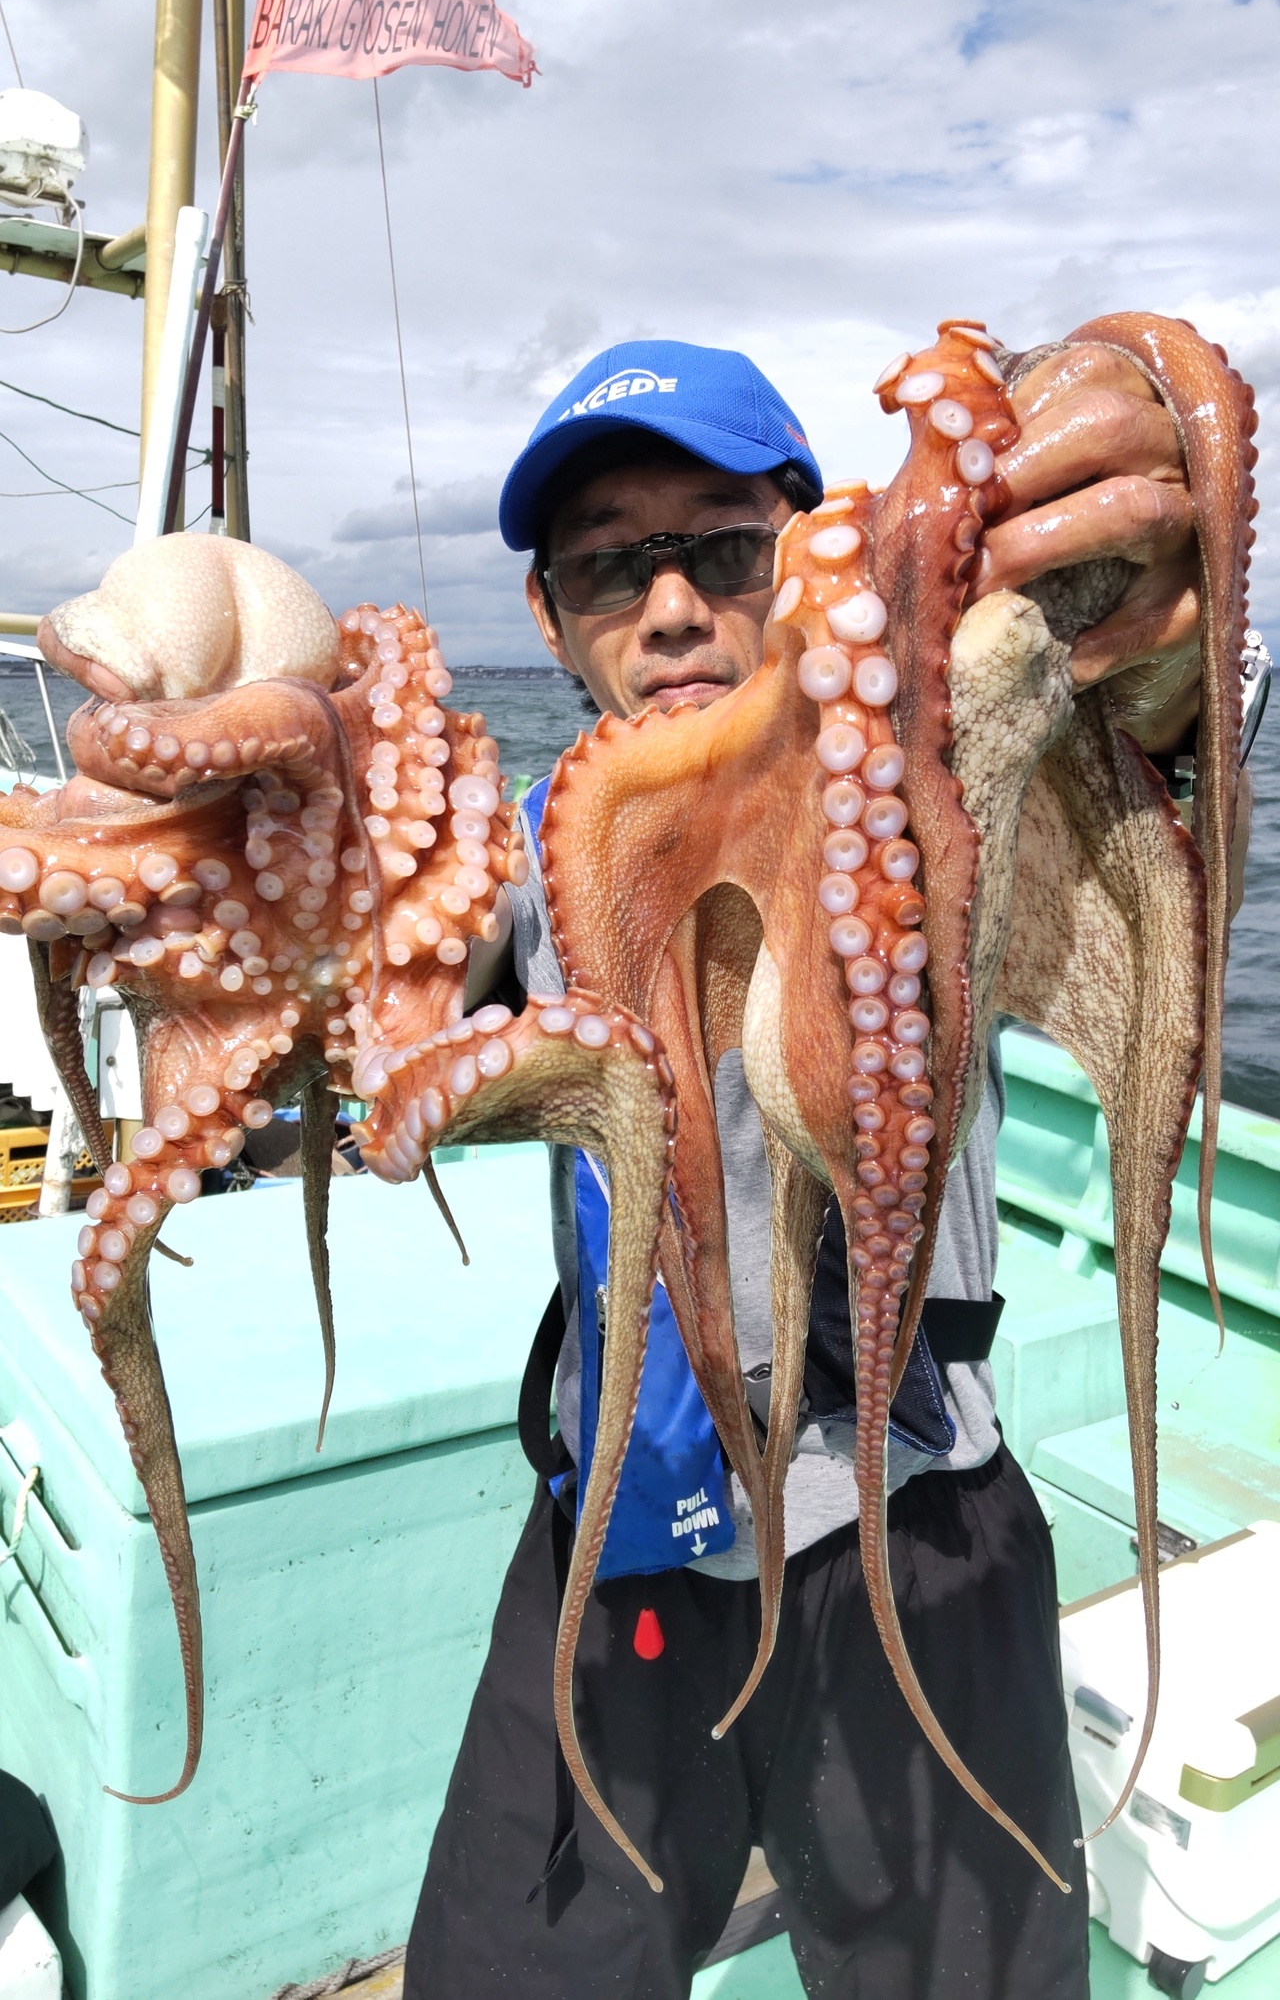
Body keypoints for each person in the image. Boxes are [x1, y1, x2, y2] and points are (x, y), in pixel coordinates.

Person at [404, 331, 1208, 1999]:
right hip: (618, 1518)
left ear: (811, 547)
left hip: (912, 1526)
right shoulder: (537, 855)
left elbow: (1134, 729)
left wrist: (1152, 639)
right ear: (551, 622)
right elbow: (381, 1033)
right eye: (615, 567)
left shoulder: (947, 785)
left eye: (721, 546)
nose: (674, 604)